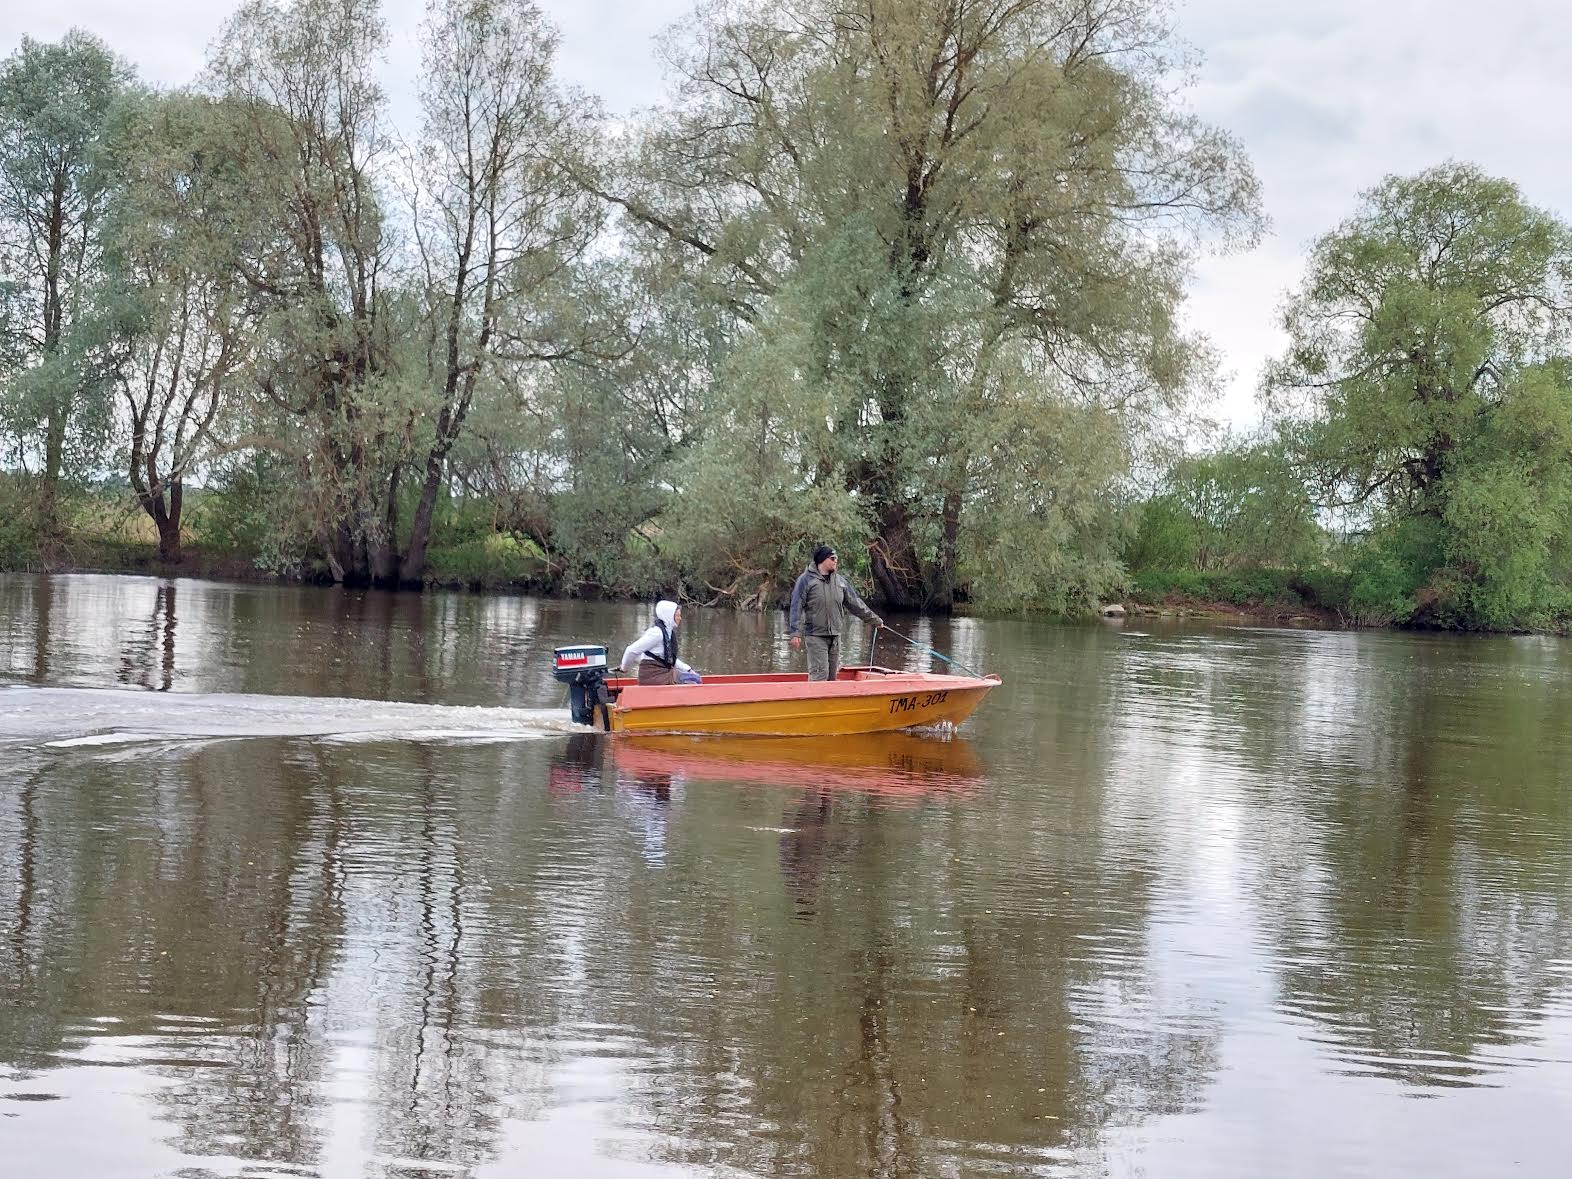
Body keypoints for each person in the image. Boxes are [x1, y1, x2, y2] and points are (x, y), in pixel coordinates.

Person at [787, 545, 884, 682]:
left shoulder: (840, 581)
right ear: (822, 560)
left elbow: (856, 604)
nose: (835, 561)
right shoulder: (805, 580)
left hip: (835, 636)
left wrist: (875, 620)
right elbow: (796, 606)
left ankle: (830, 703)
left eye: (836, 558)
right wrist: (795, 633)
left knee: (832, 677)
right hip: (815, 636)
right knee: (820, 675)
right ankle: (815, 702)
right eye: (832, 558)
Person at [620, 599, 701, 685]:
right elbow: (631, 650)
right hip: (651, 676)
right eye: (677, 616)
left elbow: (671, 659)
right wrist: (624, 668)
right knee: (692, 681)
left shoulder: (668, 632)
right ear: (669, 616)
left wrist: (688, 669)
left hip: (663, 672)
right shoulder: (656, 633)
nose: (680, 619)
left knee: (694, 678)